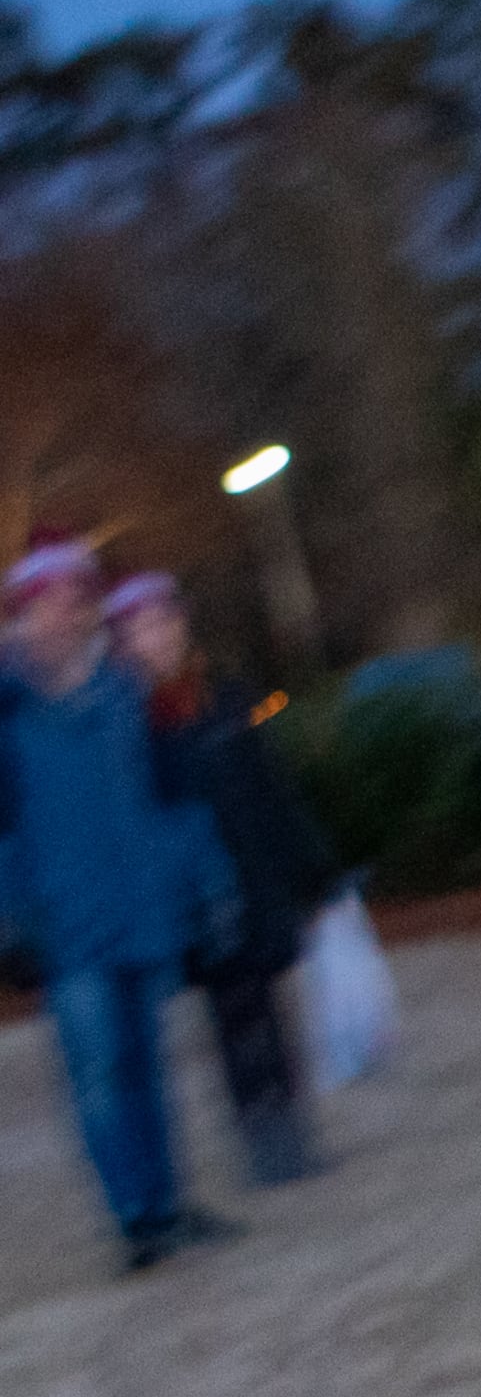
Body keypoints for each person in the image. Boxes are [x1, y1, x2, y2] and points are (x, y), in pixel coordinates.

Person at [0, 541, 241, 1272]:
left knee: (149, 1067)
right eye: (54, 601)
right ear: (24, 614)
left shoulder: (124, 695)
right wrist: (12, 921)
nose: (70, 612)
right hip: (68, 929)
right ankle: (135, 1218)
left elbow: (170, 801)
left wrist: (209, 886)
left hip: (142, 914)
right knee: (100, 1076)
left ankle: (168, 1203)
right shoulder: (8, 713)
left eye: (79, 598)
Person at [106, 570, 340, 1184]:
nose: (157, 638)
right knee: (236, 1018)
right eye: (140, 630)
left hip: (256, 881)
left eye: (164, 623)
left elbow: (271, 789)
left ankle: (291, 1129)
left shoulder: (228, 700)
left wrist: (311, 866)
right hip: (200, 900)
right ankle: (264, 1144)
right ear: (124, 643)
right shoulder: (129, 722)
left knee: (270, 1010)